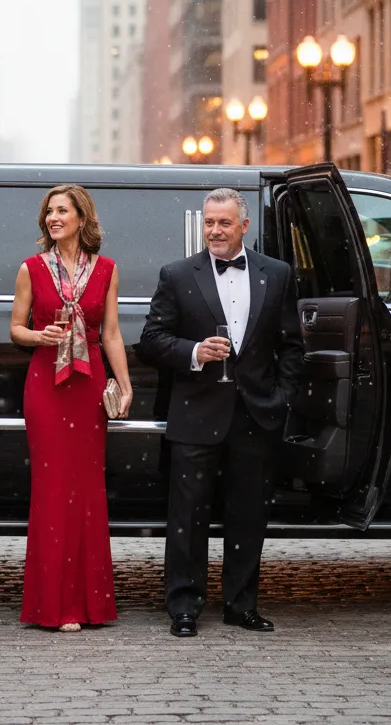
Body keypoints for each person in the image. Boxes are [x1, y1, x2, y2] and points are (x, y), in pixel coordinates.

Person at [139, 188, 303, 638]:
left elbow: (291, 345)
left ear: (244, 227)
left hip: (257, 414)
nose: (214, 230)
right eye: (210, 223)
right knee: (187, 516)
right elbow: (152, 339)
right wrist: (193, 351)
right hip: (195, 414)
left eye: (224, 223)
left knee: (248, 514)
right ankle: (184, 608)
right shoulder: (176, 274)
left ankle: (241, 605)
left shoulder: (278, 273)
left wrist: (282, 396)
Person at [10, 184, 133, 632]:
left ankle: (90, 604)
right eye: (49, 212)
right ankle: (54, 606)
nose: (53, 218)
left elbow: (112, 332)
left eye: (62, 210)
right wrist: (39, 336)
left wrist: (123, 383)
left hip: (89, 385)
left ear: (82, 218)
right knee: (51, 486)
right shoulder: (30, 269)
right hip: (45, 383)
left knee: (86, 489)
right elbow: (15, 329)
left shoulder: (107, 270)